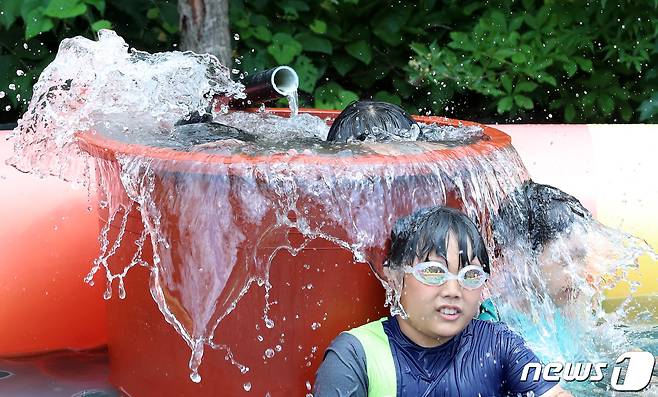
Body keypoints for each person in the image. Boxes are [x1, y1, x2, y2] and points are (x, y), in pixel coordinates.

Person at [314, 205, 571, 396]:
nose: (453, 289)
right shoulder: (357, 354)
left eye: (469, 275)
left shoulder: (498, 344)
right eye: (434, 272)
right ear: (393, 276)